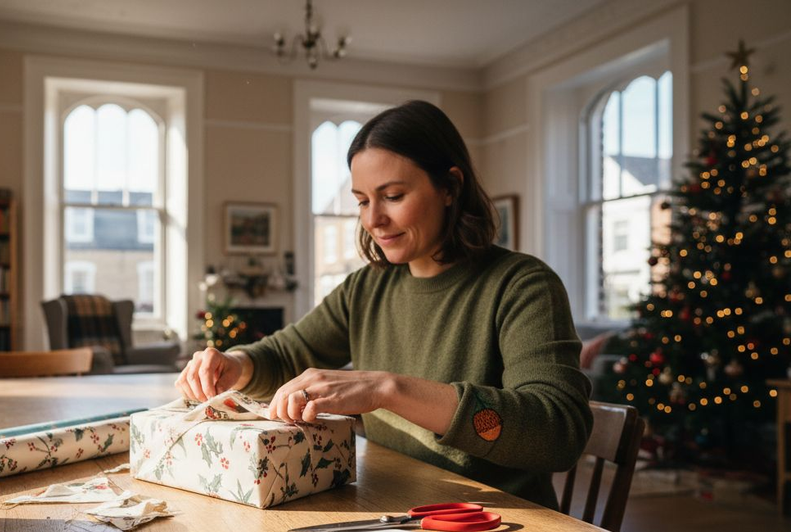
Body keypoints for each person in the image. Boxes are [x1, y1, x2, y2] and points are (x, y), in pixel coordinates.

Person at [176, 100, 591, 509]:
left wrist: (386, 389)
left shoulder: (522, 286)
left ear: (449, 187)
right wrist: (235, 364)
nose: (373, 220)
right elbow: (287, 353)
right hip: (393, 506)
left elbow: (557, 433)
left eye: (392, 196)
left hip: (500, 524)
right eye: (361, 200)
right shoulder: (366, 289)